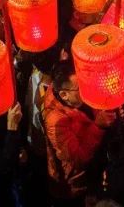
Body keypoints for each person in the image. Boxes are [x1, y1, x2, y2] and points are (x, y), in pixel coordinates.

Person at [41, 61, 112, 203]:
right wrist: (98, 126)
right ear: (64, 94)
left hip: (95, 167)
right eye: (80, 88)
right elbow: (79, 158)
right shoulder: (56, 121)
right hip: (75, 185)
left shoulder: (76, 98)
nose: (86, 89)